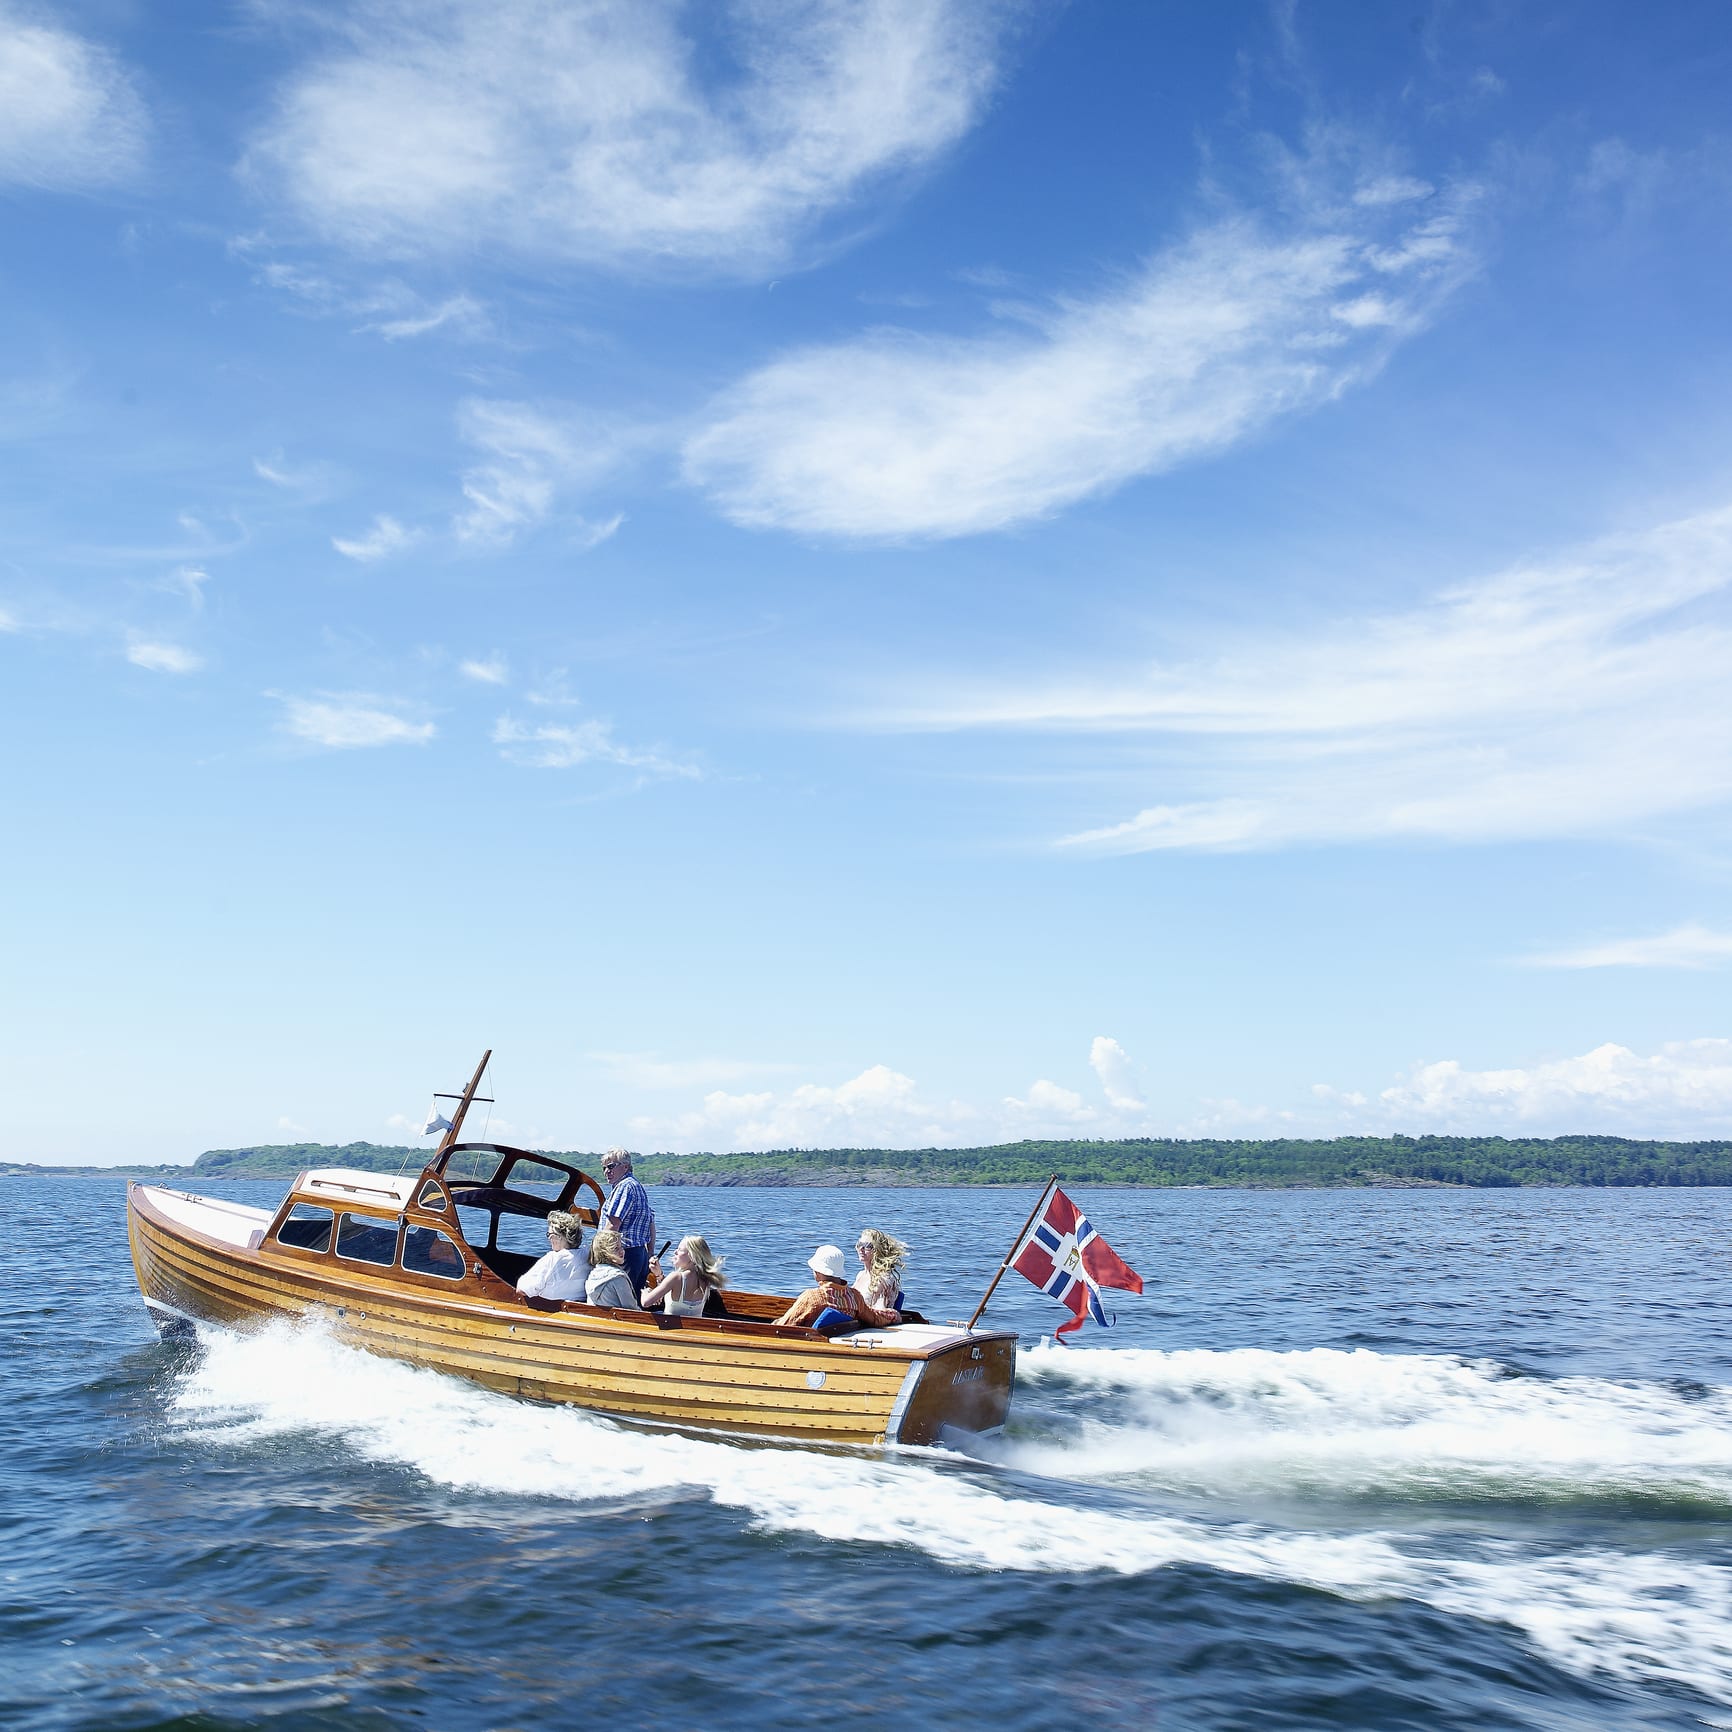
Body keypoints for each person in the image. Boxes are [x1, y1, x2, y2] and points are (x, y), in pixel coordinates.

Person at [774, 1245, 900, 1330]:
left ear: (818, 1272)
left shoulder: (812, 1298)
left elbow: (783, 1327)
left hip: (810, 1344)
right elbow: (874, 1318)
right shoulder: (855, 1297)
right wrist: (892, 1316)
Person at [599, 1148, 655, 1297]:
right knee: (633, 1300)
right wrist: (649, 1253)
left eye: (611, 1166)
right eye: (604, 1168)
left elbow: (613, 1225)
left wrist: (598, 1254)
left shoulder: (625, 1187)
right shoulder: (636, 1186)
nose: (606, 1171)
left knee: (620, 1301)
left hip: (624, 1256)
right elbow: (651, 1222)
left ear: (625, 1167)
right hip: (638, 1255)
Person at [516, 1210, 590, 1302]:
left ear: (559, 1237)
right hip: (578, 1307)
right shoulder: (587, 1255)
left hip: (548, 1308)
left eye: (550, 1234)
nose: (549, 1238)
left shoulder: (551, 1259)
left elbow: (521, 1289)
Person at [643, 1235, 725, 1317]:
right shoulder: (706, 1279)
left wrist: (645, 1291)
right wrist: (659, 1275)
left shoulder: (676, 1277)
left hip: (670, 1324)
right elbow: (673, 1287)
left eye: (680, 1250)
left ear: (692, 1256)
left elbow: (646, 1303)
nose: (675, 1252)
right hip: (694, 1324)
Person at [585, 1227, 641, 1310]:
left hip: (596, 1317)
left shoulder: (593, 1275)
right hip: (617, 1318)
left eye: (621, 1246)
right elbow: (632, 1309)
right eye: (616, 1248)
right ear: (605, 1253)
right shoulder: (618, 1278)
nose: (622, 1251)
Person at [853, 1227, 907, 1313]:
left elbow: (879, 1311)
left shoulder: (883, 1278)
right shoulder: (860, 1275)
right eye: (859, 1244)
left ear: (877, 1250)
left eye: (867, 1246)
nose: (861, 1249)